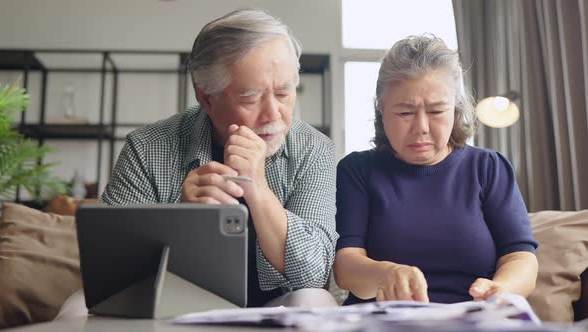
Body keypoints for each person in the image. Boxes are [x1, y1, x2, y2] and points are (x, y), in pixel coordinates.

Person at [57, 9, 338, 318]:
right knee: (77, 307)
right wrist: (179, 218)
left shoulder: (314, 149)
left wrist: (258, 188)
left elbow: (313, 274)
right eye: (250, 98)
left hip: (274, 307)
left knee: (315, 302)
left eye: (284, 93)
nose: (274, 114)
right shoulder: (147, 147)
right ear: (206, 98)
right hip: (169, 306)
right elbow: (108, 272)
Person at [333, 35, 538, 305]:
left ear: (456, 110)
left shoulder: (488, 168)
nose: (421, 127)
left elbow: (520, 257)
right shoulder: (357, 169)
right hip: (383, 320)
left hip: (471, 317)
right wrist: (386, 273)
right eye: (405, 113)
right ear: (381, 111)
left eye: (436, 111)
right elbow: (345, 266)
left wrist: (501, 288)